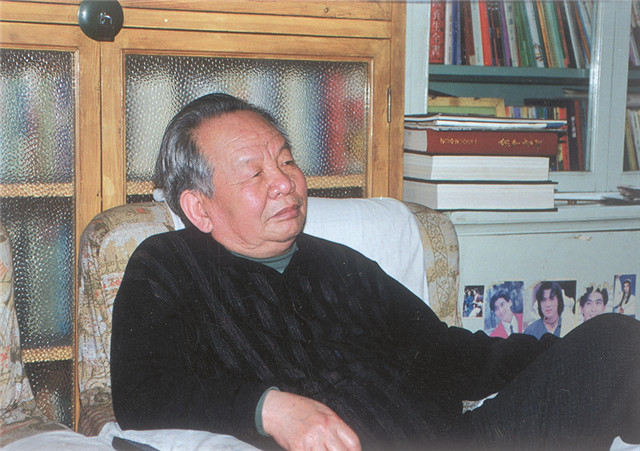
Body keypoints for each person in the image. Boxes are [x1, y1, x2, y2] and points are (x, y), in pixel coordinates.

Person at [111, 93, 640, 451]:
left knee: (616, 342)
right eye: (255, 173)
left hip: (460, 440)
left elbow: (450, 356)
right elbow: (143, 395)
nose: (285, 183)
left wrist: (562, 355)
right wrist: (272, 410)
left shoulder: (340, 265)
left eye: (287, 161)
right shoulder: (168, 266)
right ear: (199, 207)